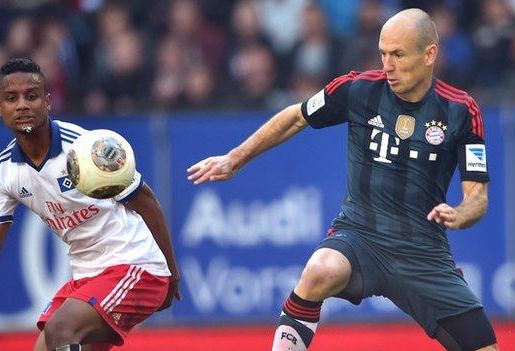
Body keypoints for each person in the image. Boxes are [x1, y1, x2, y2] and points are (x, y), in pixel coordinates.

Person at [188, 8, 498, 351]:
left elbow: (478, 198)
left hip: (422, 253)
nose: (387, 66)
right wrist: (235, 158)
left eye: (398, 54)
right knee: (319, 270)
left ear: (429, 55)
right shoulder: (358, 89)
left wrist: (460, 213)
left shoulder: (460, 110)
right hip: (359, 236)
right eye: (383, 53)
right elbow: (296, 117)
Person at [0, 57, 181, 351]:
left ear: (47, 102)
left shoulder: (83, 147)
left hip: (136, 265)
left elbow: (146, 201)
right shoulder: (3, 173)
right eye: (11, 98)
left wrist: (172, 274)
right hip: (87, 275)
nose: (22, 105)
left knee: (61, 330)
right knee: (44, 348)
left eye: (31, 97)